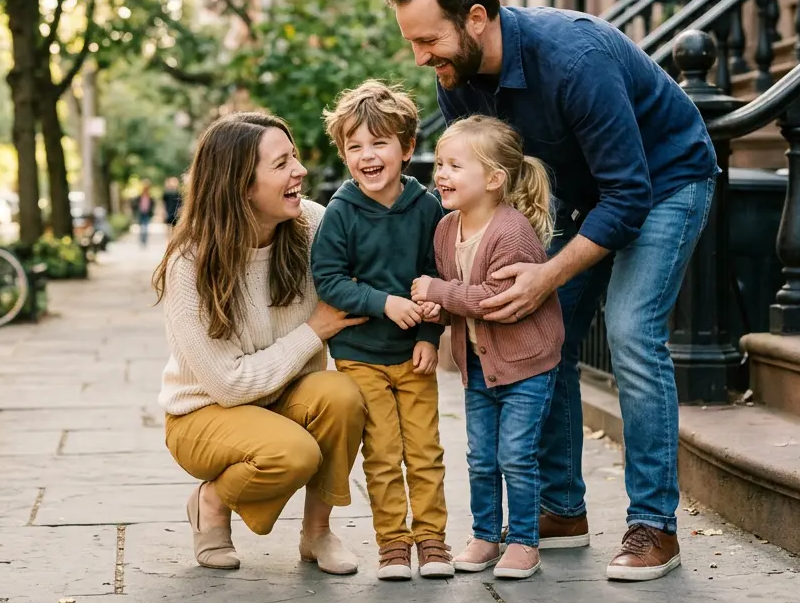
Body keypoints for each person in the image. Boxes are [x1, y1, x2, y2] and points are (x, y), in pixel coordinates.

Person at [387, 0, 717, 581]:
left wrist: (546, 273)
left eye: (428, 40)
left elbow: (630, 194)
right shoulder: (458, 78)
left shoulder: (575, 59)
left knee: (630, 332)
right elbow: (492, 195)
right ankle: (562, 509)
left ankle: (655, 526)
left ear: (476, 18)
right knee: (543, 331)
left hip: (666, 181)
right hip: (580, 195)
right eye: (412, 42)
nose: (420, 57)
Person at [155, 112, 369, 575]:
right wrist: (314, 330)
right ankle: (211, 502)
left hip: (284, 396)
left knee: (343, 396)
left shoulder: (313, 224)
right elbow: (229, 385)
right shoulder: (190, 264)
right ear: (241, 186)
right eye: (281, 164)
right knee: (292, 453)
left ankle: (317, 534)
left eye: (293, 157)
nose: (300, 171)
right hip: (205, 412)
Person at [410, 115, 564, 580]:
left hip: (526, 365)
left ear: (495, 179)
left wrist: (439, 293)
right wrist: (442, 311)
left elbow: (498, 302)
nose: (441, 174)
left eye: (455, 165)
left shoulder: (511, 232)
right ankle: (485, 535)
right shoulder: (444, 229)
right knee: (480, 457)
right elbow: (461, 295)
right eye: (439, 163)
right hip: (478, 366)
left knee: (516, 456)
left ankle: (523, 542)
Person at [309, 82, 451, 581]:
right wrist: (382, 302)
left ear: (407, 148)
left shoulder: (428, 209)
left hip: (413, 357)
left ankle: (432, 541)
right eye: (354, 147)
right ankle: (393, 544)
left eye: (379, 143)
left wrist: (430, 338)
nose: (367, 156)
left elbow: (440, 279)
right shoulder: (341, 212)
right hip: (360, 356)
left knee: (426, 451)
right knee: (384, 456)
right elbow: (327, 280)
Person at [134, 181, 155, 247]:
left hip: (147, 214)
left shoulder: (150, 197)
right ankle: (142, 240)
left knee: (145, 227)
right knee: (142, 228)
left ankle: (144, 240)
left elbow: (152, 205)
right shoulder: (139, 197)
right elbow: (135, 205)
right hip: (141, 213)